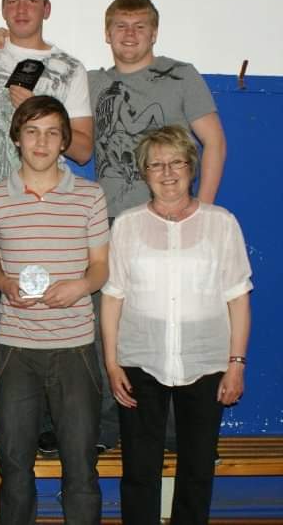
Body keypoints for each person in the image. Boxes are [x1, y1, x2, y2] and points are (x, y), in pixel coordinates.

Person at [0, 0, 94, 450]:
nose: (21, 9)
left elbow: (82, 149)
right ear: (1, 6)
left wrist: (35, 104)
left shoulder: (70, 68)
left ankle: (48, 424)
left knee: (48, 319)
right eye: (12, 0)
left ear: (46, 8)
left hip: (48, 215)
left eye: (31, 0)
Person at [88, 0, 227, 451]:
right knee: (109, 326)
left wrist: (197, 215)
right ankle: (112, 425)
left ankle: (171, 432)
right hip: (111, 224)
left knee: (175, 321)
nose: (130, 34)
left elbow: (214, 143)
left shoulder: (181, 75)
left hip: (172, 219)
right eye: (121, 26)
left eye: (140, 26)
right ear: (107, 33)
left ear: (154, 32)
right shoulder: (90, 82)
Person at [101, 125, 251, 525]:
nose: (167, 173)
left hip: (206, 362)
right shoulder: (127, 225)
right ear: (144, 173)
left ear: (192, 167)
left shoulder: (221, 223)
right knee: (138, 470)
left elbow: (238, 297)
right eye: (156, 165)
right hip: (140, 360)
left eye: (177, 163)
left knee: (198, 468)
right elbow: (113, 296)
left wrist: (236, 362)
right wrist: (113, 364)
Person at [0, 95, 109, 524]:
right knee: (14, 468)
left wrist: (80, 287)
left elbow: (101, 268)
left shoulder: (90, 196)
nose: (42, 141)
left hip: (75, 350)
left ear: (64, 141)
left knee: (81, 468)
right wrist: (4, 284)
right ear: (16, 137)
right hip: (16, 351)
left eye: (53, 132)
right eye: (32, 131)